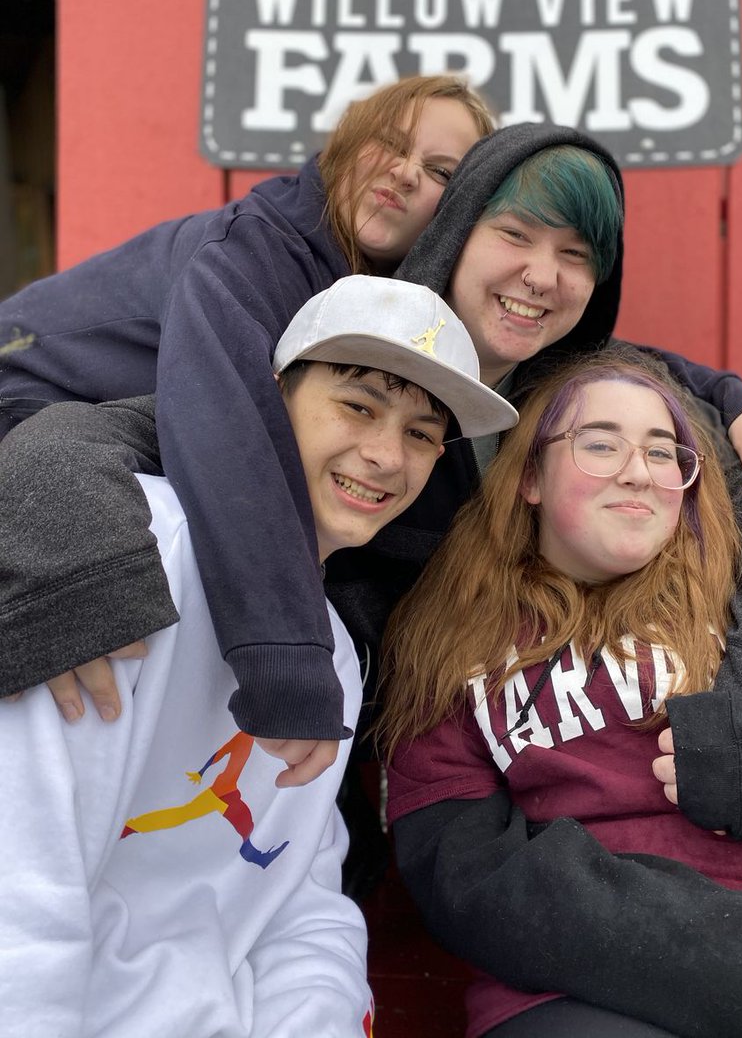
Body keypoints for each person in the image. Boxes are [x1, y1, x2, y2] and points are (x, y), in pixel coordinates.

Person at [1, 124, 742, 774]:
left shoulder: (592, 390)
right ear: (458, 232)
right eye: (515, 235)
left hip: (597, 744)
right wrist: (77, 583)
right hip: (336, 743)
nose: (542, 276)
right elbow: (91, 435)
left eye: (576, 256)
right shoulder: (348, 338)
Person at [0, 275, 518, 1037]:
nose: (384, 455)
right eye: (358, 405)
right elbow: (21, 875)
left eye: (420, 432)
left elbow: (300, 907)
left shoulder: (333, 657)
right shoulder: (124, 552)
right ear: (272, 399)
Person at [380, 348, 742, 1038]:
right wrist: (732, 963)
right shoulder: (449, 642)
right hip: (602, 983)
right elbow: (466, 879)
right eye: (599, 444)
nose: (637, 472)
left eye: (664, 454)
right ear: (530, 475)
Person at [0, 75, 494, 762]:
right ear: (344, 144)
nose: (405, 174)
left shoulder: (376, 300)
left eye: (440, 170)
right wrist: (289, 668)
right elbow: (230, 428)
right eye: (390, 143)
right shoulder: (253, 247)